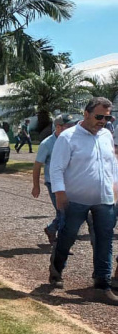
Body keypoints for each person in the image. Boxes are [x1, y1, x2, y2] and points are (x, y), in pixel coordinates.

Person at [48, 97, 118, 303]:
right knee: (68, 237)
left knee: (104, 240)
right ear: (86, 113)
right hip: (75, 200)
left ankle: (102, 285)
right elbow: (57, 168)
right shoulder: (68, 137)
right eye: (98, 116)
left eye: (107, 117)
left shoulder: (106, 135)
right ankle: (56, 269)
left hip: (104, 199)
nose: (102, 121)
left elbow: (111, 165)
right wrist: (60, 192)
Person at [32, 113, 79, 244]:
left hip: (70, 183)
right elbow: (37, 166)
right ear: (58, 127)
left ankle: (51, 229)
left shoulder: (72, 140)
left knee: (68, 212)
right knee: (64, 212)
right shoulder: (47, 144)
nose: (72, 128)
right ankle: (63, 244)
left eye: (73, 125)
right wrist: (36, 186)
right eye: (68, 126)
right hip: (53, 183)